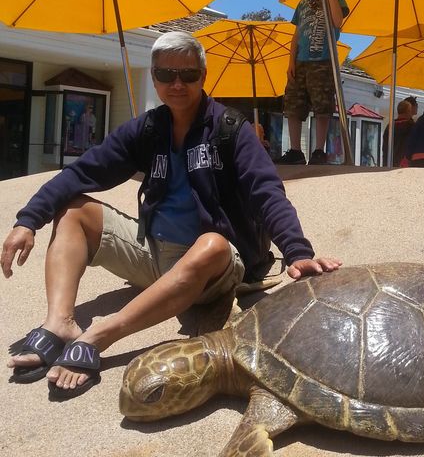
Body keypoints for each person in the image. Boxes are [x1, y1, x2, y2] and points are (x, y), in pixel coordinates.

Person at [2, 30, 341, 399]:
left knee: (212, 244)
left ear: (203, 76)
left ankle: (100, 336)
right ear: (154, 77)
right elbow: (81, 172)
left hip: (214, 267)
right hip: (155, 255)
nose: (177, 83)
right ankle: (60, 323)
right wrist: (28, 219)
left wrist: (297, 252)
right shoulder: (148, 129)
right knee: (74, 210)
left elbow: (267, 192)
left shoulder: (230, 129)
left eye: (188, 75)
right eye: (166, 75)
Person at [278, 0, 349, 165]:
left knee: (322, 103)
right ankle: (295, 150)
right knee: (293, 103)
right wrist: (291, 61)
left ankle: (319, 149)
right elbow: (297, 35)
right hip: (301, 60)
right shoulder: (302, 3)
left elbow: (337, 21)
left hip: (322, 59)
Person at [382, 99, 415, 167]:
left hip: (389, 162)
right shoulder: (411, 126)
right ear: (408, 111)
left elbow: (385, 146)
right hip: (404, 163)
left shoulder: (390, 125)